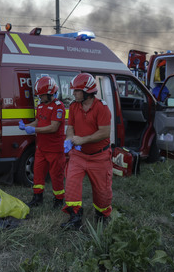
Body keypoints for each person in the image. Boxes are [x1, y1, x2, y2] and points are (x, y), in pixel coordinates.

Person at [62, 73, 112, 230]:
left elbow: (104, 132)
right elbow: (70, 127)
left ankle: (102, 215)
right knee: (71, 184)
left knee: (102, 191)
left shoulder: (102, 108)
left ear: (87, 92)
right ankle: (75, 217)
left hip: (99, 156)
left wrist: (82, 140)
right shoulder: (74, 106)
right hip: (78, 155)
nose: (74, 93)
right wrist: (69, 139)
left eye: (77, 90)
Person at [19, 76, 66, 209]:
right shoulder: (40, 106)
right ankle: (37, 198)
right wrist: (27, 125)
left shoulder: (58, 107)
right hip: (41, 148)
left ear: (50, 94)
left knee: (56, 176)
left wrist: (33, 129)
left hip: (55, 149)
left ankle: (58, 200)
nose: (39, 98)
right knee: (38, 174)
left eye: (42, 95)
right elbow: (38, 121)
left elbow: (53, 127)